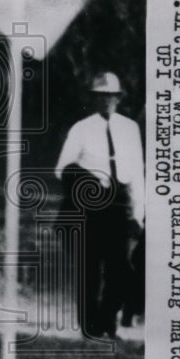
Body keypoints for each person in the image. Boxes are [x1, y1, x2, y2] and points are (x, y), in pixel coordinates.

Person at [55, 72, 144, 339]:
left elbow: (136, 173)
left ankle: (106, 321)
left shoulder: (130, 128)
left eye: (111, 97)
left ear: (119, 98)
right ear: (93, 99)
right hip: (89, 209)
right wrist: (90, 181)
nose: (106, 102)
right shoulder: (81, 128)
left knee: (123, 272)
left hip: (118, 206)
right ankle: (91, 329)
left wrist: (139, 214)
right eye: (100, 97)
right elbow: (62, 169)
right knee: (89, 271)